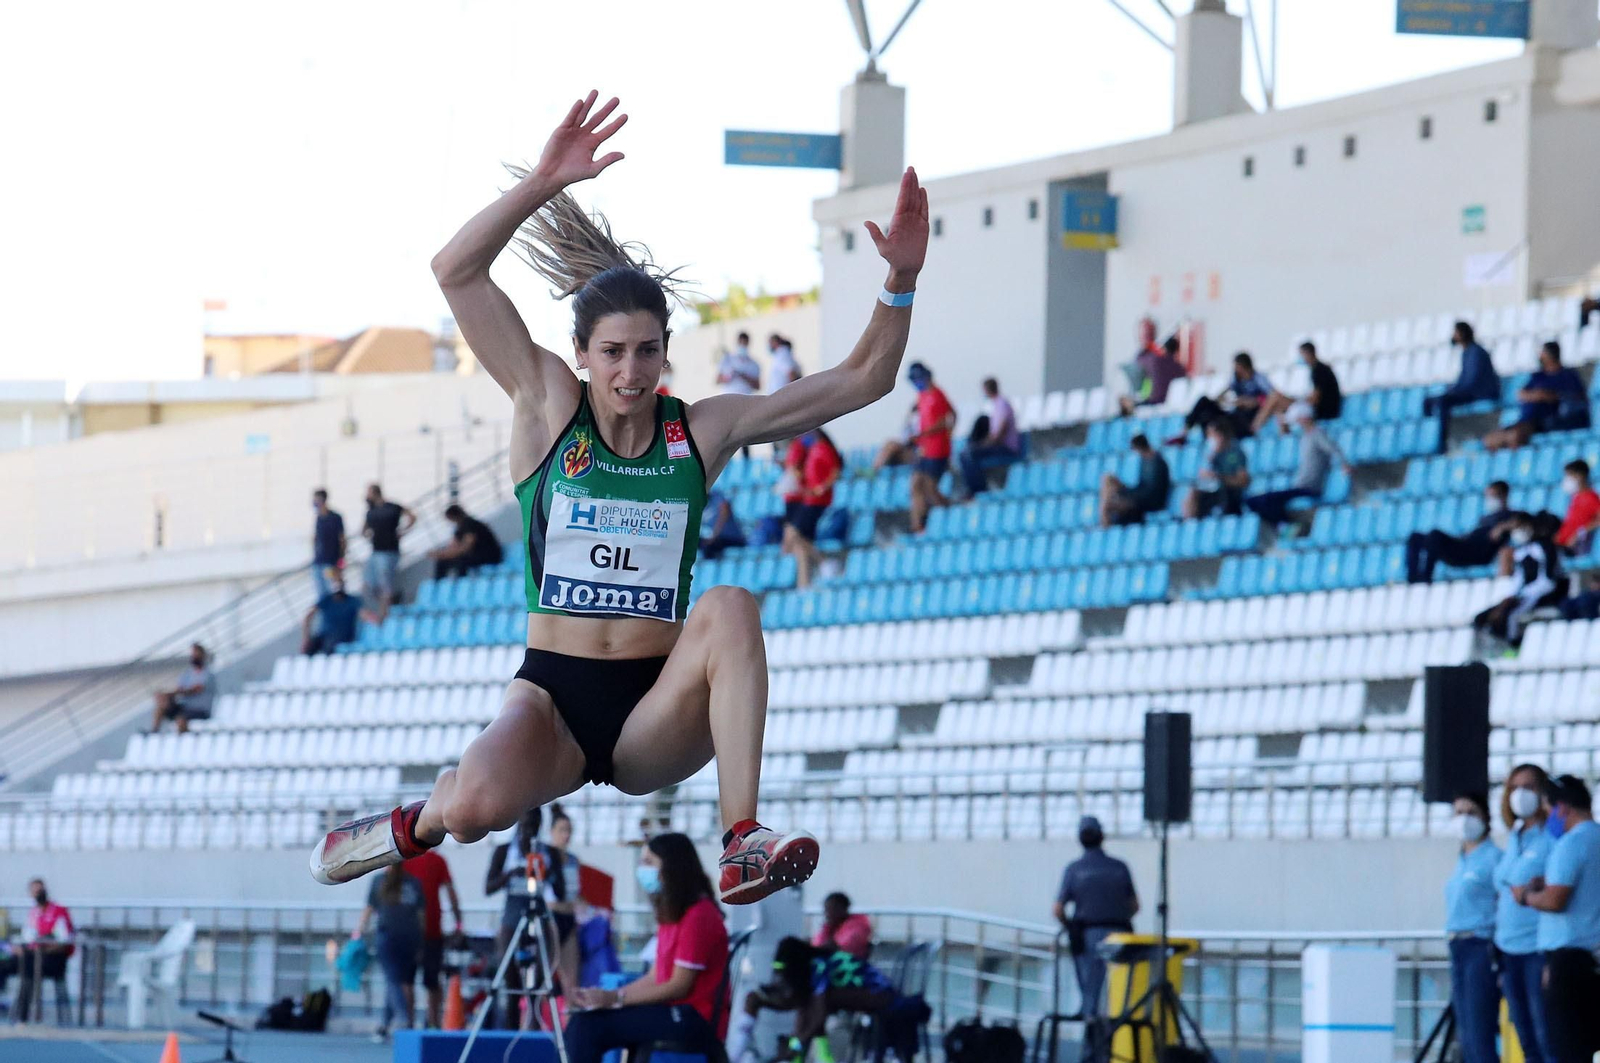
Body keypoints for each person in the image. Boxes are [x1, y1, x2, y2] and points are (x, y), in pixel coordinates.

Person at [310, 95, 928, 907]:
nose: (630, 373)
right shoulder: (546, 405)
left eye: (646, 352)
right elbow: (454, 271)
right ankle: (416, 821)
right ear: (580, 353)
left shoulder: (701, 433)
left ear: (668, 352)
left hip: (652, 715)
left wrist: (902, 280)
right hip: (550, 703)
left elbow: (863, 380)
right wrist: (541, 182)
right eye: (611, 353)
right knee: (475, 808)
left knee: (734, 604)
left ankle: (742, 839)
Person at [564, 833, 728, 1061]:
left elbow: (679, 986)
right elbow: (655, 977)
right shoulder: (673, 914)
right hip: (672, 1010)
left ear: (672, 867)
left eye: (649, 862)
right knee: (585, 1018)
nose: (642, 869)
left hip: (693, 1017)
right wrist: (607, 997)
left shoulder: (698, 915)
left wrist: (615, 1000)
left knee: (588, 1027)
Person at [729, 936, 926, 1063]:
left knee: (818, 1004)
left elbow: (819, 1011)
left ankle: (798, 1055)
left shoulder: (819, 965)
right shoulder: (813, 969)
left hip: (882, 998)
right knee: (811, 1003)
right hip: (865, 996)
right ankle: (796, 1055)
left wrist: (797, 1042)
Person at [1516, 775, 1600, 1063]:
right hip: (1592, 958)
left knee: (1565, 1048)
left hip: (1568, 962)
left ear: (1562, 808)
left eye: (1550, 809)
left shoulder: (1571, 844)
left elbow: (1555, 900)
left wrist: (1527, 896)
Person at [1494, 764, 1554, 1063]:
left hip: (1536, 948)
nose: (1520, 795)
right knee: (1525, 1035)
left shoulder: (1551, 836)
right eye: (1514, 787)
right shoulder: (1515, 836)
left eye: (1528, 787)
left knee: (1546, 1035)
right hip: (1509, 949)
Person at [1053, 816, 1138, 1020]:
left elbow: (1058, 909)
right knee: (1119, 995)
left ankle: (1093, 1046)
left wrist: (1070, 926)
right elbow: (1135, 905)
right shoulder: (1119, 867)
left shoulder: (1074, 869)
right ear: (1102, 837)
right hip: (1120, 937)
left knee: (1091, 996)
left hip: (1087, 936)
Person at [1444, 792, 1501, 1063]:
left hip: (1480, 943)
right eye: (1458, 812)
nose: (1464, 819)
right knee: (1466, 1032)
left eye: (1471, 812)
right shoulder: (1461, 859)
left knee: (1480, 1032)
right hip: (1458, 944)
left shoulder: (1493, 858)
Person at [1245, 401, 1352, 526]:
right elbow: (1285, 433)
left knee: (1264, 500)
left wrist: (1344, 463)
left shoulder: (1317, 434)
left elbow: (1333, 448)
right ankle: (1285, 523)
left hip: (1309, 487)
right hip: (1301, 486)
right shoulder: (1305, 436)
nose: (1296, 423)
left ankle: (1286, 523)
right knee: (1258, 501)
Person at [1473, 513, 1567, 648]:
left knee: (1508, 616)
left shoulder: (1546, 548)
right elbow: (1519, 577)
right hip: (1522, 594)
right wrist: (1512, 596)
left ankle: (1514, 646)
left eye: (1520, 527)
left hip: (1541, 593)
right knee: (1481, 618)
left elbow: (1548, 580)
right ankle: (1492, 649)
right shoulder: (1521, 551)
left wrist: (1524, 595)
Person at [356, 864, 425, 1039]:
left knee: (392, 979)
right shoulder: (413, 882)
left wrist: (359, 931)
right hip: (411, 935)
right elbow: (421, 915)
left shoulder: (379, 881)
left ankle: (402, 1018)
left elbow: (369, 908)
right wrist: (421, 941)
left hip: (388, 935)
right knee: (396, 979)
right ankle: (384, 1024)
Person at [1406, 481, 1522, 584]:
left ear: (1504, 496)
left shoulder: (1510, 515)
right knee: (1415, 538)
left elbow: (1520, 521)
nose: (1490, 500)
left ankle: (1424, 579)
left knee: (1435, 536)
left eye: (1493, 496)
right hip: (1465, 546)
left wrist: (1501, 528)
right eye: (1488, 496)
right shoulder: (1486, 517)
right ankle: (1413, 578)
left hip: (1477, 553)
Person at [1485, 342, 1590, 451]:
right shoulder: (1538, 376)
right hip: (1525, 420)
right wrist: (1537, 395)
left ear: (1550, 355)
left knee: (1515, 437)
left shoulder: (1567, 375)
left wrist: (1547, 395)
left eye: (1542, 353)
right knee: (1490, 439)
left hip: (1546, 420)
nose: (1539, 356)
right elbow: (1522, 393)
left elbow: (1576, 398)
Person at [402, 847, 462, 1029]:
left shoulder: (400, 860)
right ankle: (433, 1022)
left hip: (407, 931)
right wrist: (458, 922)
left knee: (407, 980)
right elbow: (451, 893)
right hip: (431, 930)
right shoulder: (437, 860)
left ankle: (409, 1022)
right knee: (432, 980)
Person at [1424, 321, 1501, 448]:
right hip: (1469, 391)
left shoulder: (1476, 352)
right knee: (1429, 401)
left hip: (1478, 393)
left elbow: (1472, 381)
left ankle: (1441, 441)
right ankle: (1429, 437)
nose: (1453, 336)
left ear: (1462, 334)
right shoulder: (1467, 353)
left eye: (1456, 333)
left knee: (1443, 401)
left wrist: (1455, 391)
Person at [782, 429, 843, 589]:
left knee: (796, 536)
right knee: (801, 542)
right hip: (809, 499)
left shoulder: (823, 448)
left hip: (817, 501)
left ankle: (824, 561)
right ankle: (804, 581)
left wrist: (822, 487)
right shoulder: (813, 449)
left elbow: (835, 471)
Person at [10, 878, 75, 1024]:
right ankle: (21, 1016)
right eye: (34, 891)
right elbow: (27, 938)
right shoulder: (34, 913)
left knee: (28, 967)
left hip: (53, 961)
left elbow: (64, 941)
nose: (37, 894)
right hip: (33, 958)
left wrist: (44, 948)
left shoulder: (58, 912)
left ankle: (23, 1016)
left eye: (39, 891)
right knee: (17, 964)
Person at [1170, 352, 1272, 444]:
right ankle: (1184, 433)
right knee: (1204, 403)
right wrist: (1222, 401)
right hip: (1234, 415)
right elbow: (1224, 393)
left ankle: (1215, 443)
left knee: (1217, 422)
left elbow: (1268, 398)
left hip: (1245, 420)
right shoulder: (1237, 380)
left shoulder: (1259, 379)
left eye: (1236, 367)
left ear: (1242, 366)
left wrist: (1248, 402)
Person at [906, 361, 955, 533]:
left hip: (937, 448)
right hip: (924, 449)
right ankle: (917, 526)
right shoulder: (921, 397)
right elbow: (914, 416)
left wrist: (926, 433)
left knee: (930, 488)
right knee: (915, 485)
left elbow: (948, 418)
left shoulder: (937, 394)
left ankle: (951, 512)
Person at [959, 377, 1023, 497]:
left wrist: (985, 443)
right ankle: (975, 488)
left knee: (969, 454)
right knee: (966, 453)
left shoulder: (1002, 404)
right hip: (999, 444)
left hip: (1006, 447)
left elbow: (1000, 432)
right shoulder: (997, 405)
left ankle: (978, 489)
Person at [362, 484, 415, 625]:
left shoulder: (392, 507)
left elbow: (412, 516)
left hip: (389, 550)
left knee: (385, 583)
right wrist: (369, 535)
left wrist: (403, 531)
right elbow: (364, 529)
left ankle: (383, 614)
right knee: (369, 584)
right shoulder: (371, 511)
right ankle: (392, 601)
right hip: (376, 551)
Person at [546, 804, 584, 994]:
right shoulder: (544, 858)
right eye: (562, 830)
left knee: (571, 980)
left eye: (568, 831)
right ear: (551, 832)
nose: (566, 835)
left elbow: (577, 894)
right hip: (551, 919)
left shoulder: (573, 860)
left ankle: (569, 1020)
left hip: (569, 919)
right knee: (544, 977)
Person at [1261, 341, 1342, 424]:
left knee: (1278, 400)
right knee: (1279, 407)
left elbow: (1315, 398)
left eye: (1301, 354)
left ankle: (1255, 428)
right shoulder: (1317, 369)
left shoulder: (1320, 370)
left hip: (1325, 410)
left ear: (1308, 353)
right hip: (1323, 408)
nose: (1301, 357)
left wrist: (1300, 402)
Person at [1183, 419, 1250, 519]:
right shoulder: (1212, 453)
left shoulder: (1236, 453)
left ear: (1221, 435)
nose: (1210, 439)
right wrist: (1211, 459)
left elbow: (1243, 481)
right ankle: (1190, 524)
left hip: (1229, 491)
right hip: (1215, 489)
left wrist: (1219, 477)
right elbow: (1203, 474)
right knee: (1193, 493)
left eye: (1212, 435)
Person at [1099, 434, 1171, 527]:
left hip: (1150, 500)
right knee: (1108, 479)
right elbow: (1142, 484)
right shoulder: (1145, 460)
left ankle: (1105, 527)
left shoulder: (1158, 462)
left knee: (1109, 506)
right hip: (1141, 495)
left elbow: (1154, 491)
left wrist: (1130, 495)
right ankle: (1105, 525)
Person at [1119, 324, 1186, 416]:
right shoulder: (1180, 368)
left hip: (1154, 400)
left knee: (1129, 405)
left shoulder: (1153, 360)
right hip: (1162, 401)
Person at [149, 642, 216, 734]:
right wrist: (166, 696)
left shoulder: (207, 674)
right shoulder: (187, 674)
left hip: (200, 710)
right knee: (160, 710)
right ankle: (154, 733)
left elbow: (196, 689)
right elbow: (179, 689)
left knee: (180, 719)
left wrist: (172, 693)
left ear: (202, 655)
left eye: (196, 654)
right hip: (185, 707)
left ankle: (184, 739)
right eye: (193, 654)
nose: (194, 657)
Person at [429, 503, 504, 579]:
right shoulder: (459, 529)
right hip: (475, 556)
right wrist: (443, 554)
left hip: (489, 555)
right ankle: (438, 584)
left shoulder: (470, 524)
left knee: (462, 562)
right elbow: (453, 546)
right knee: (442, 562)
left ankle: (461, 583)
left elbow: (466, 547)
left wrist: (446, 554)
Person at [301, 570, 362, 655]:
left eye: (340, 582)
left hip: (343, 636)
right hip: (324, 635)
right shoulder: (327, 600)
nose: (338, 586)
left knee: (329, 647)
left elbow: (364, 614)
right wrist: (306, 638)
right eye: (336, 583)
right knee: (308, 649)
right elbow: (308, 616)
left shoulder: (352, 601)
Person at [1555, 460, 1599, 556]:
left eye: (1569, 475)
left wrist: (1579, 534)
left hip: (1573, 547)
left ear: (1580, 476)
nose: (1566, 479)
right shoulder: (1576, 497)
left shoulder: (1591, 497)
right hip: (1561, 544)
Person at [813, 892, 873, 960]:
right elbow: (817, 945)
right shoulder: (829, 927)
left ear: (843, 908)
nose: (827, 913)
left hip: (852, 965)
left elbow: (844, 947)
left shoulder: (859, 925)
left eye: (831, 909)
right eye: (826, 909)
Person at [310, 488, 346, 600]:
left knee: (332, 587)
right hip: (319, 561)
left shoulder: (335, 518)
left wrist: (341, 561)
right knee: (321, 591)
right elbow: (316, 537)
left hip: (331, 561)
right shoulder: (319, 518)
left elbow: (342, 539)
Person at [699, 489, 746, 560]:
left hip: (732, 538)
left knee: (709, 548)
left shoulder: (718, 498)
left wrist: (713, 537)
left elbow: (724, 513)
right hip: (715, 539)